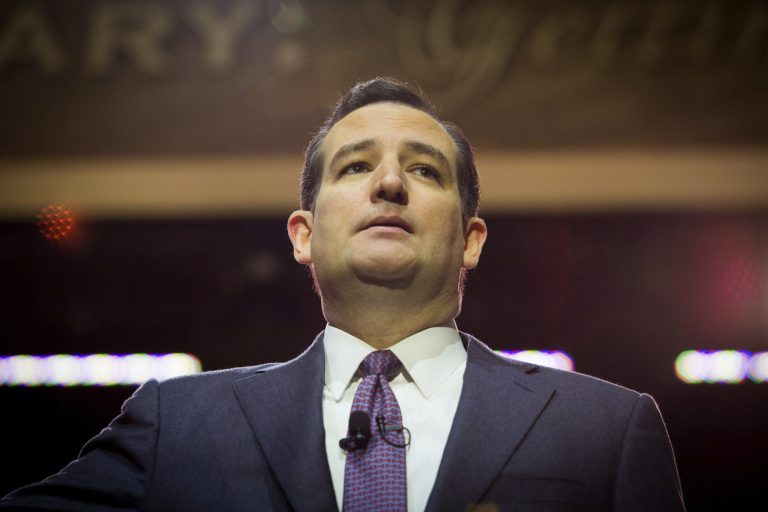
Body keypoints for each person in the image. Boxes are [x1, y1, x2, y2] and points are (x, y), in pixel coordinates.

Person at [0, 77, 685, 511]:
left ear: (472, 239)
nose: (389, 184)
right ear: (302, 235)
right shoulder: (176, 426)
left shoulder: (607, 431)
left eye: (424, 170)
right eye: (356, 167)